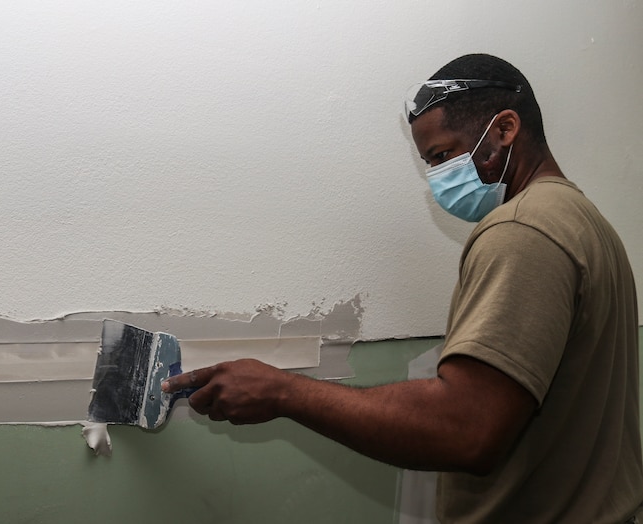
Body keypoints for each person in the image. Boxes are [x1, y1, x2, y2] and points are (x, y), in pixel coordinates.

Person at [163, 54, 642, 523]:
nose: (438, 178)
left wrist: (284, 393)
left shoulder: (522, 231)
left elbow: (466, 430)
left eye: (443, 155)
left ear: (505, 129)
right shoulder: (585, 223)